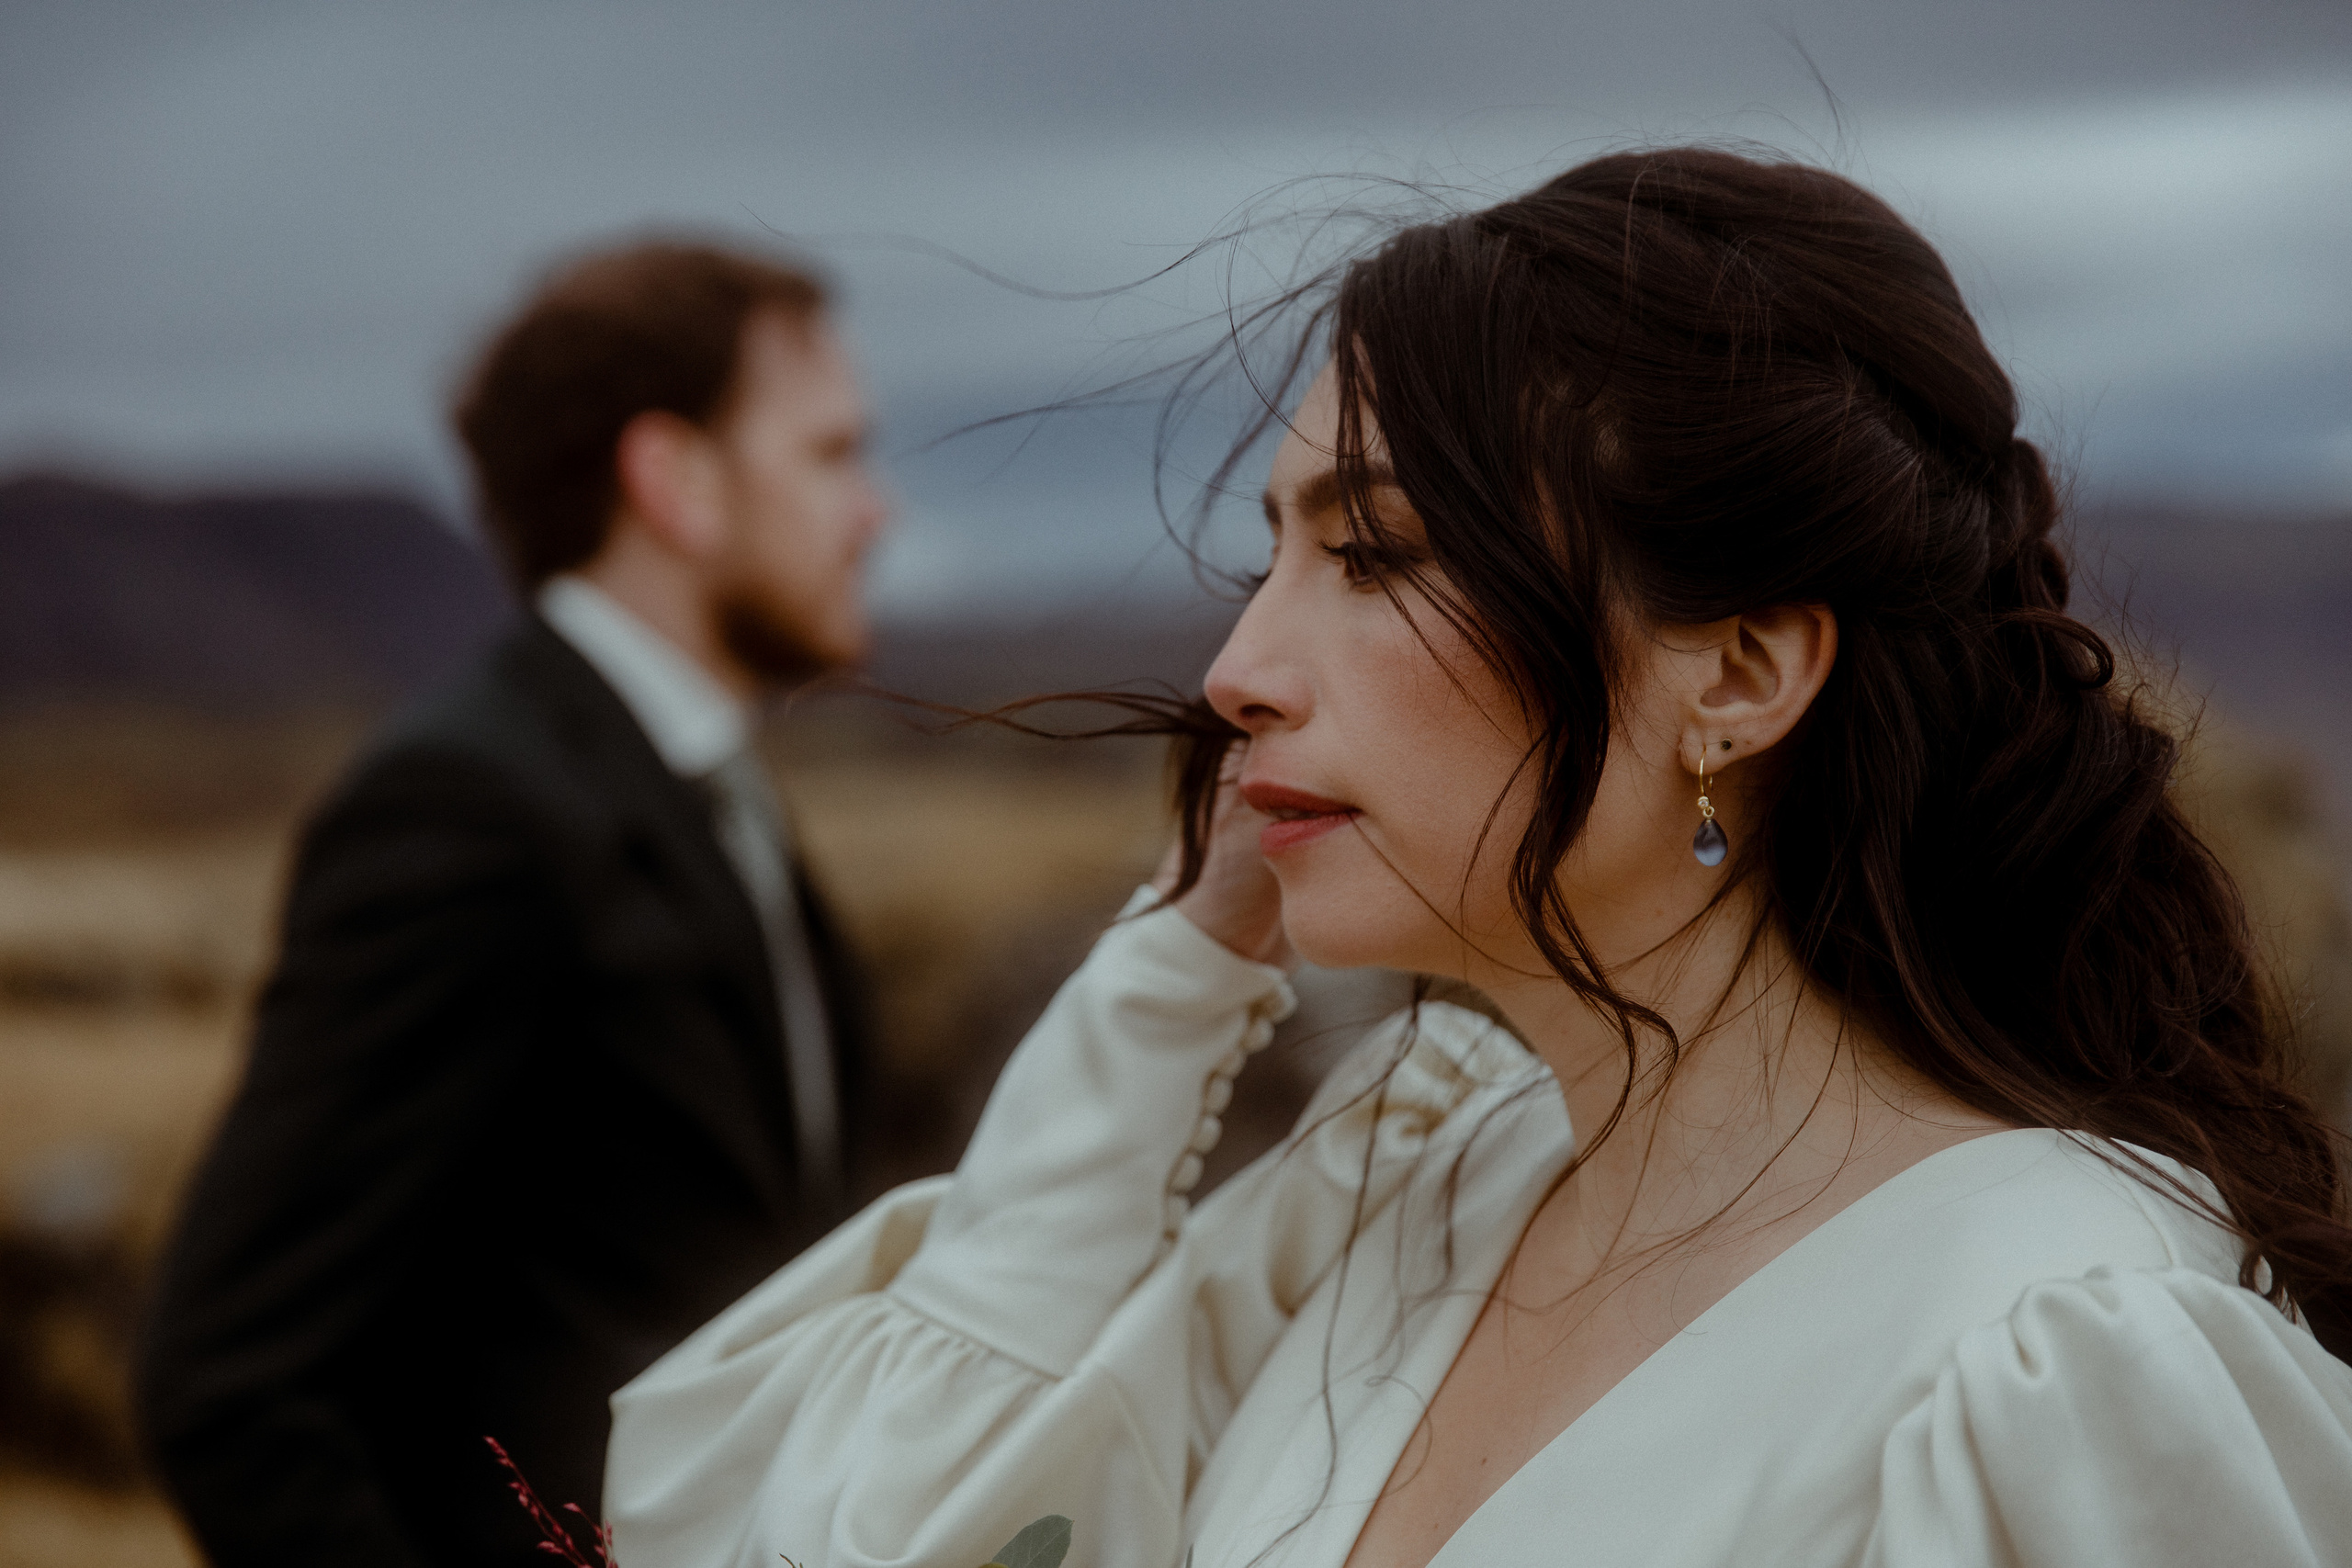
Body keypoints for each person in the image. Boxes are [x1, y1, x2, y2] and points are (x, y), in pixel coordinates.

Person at [604, 152, 2352, 1568]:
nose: (1235, 672)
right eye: (1272, 556)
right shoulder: (1417, 1183)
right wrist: (1161, 993)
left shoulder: (2057, 1346)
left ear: (1739, 673)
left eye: (1374, 554)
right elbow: (825, 1537)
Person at [138, 240, 889, 1568]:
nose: (873, 511)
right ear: (675, 481)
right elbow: (229, 1383)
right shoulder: (467, 805)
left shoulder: (710, 788)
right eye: (831, 455)